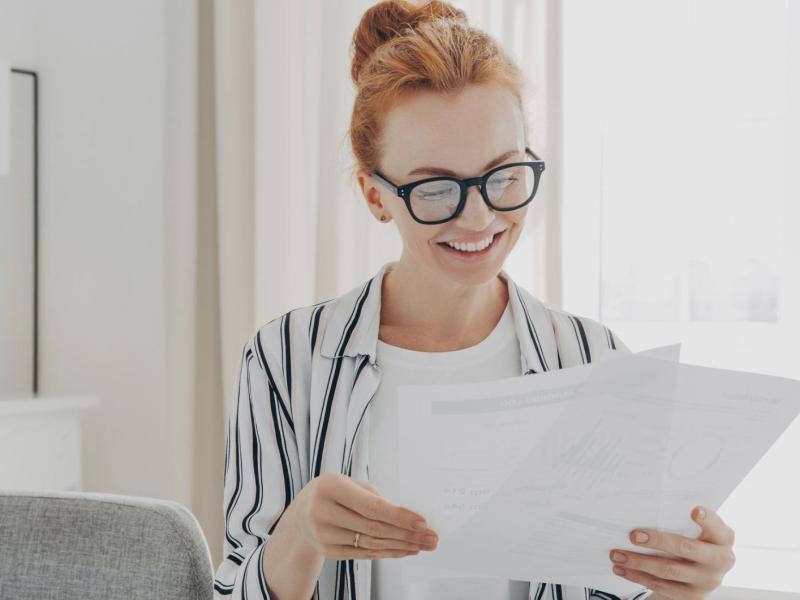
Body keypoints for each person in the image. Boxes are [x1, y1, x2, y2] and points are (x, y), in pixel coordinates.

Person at [212, 2, 736, 599]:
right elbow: (232, 589)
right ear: (374, 195)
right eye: (436, 188)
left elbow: (619, 585)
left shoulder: (594, 357)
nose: (480, 216)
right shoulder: (286, 358)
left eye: (504, 176)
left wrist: (680, 586)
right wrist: (301, 531)